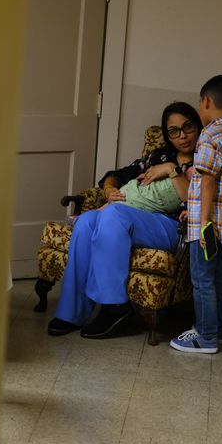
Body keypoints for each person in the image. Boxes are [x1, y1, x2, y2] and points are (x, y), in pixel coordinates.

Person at [47, 102, 203, 338]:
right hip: (132, 216)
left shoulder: (205, 158)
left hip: (169, 225)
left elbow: (196, 199)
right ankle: (72, 312)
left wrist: (172, 170)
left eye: (187, 127)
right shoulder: (158, 155)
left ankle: (114, 307)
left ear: (197, 126)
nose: (182, 135)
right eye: (174, 131)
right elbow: (114, 176)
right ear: (167, 135)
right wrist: (110, 190)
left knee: (112, 214)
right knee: (87, 221)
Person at [170, 75, 222, 354]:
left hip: (209, 226)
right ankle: (221, 330)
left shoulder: (210, 136)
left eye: (199, 105)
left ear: (207, 102)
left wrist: (202, 223)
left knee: (202, 280)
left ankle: (206, 336)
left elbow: (208, 180)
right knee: (218, 277)